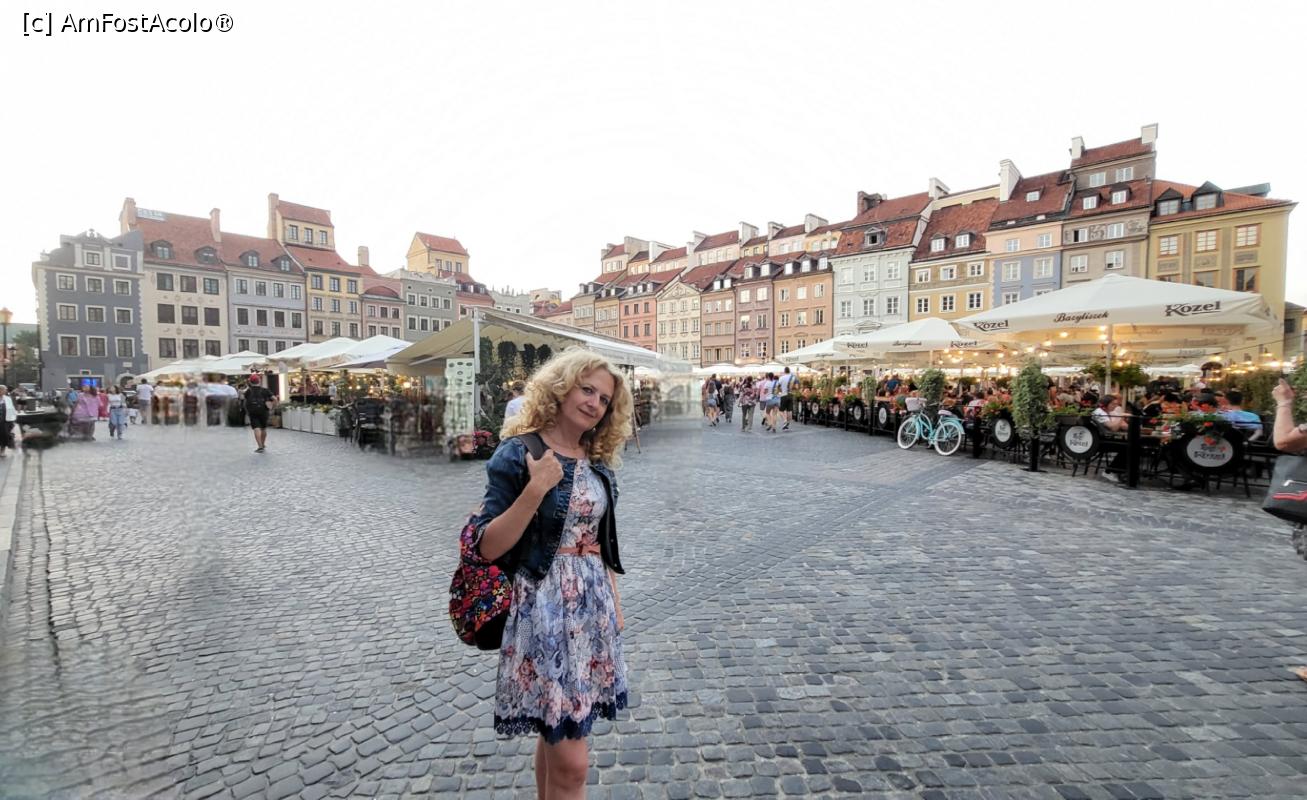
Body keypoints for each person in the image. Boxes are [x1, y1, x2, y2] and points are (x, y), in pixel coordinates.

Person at [471, 349, 632, 798]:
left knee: (555, 732)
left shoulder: (596, 459)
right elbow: (487, 546)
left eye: (604, 399)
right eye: (587, 390)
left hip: (591, 611)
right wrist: (536, 488)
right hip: (543, 609)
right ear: (561, 388)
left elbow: (600, 541)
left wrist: (614, 604)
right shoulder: (519, 452)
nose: (594, 403)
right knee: (573, 764)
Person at [1091, 395, 1129, 483]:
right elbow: (1113, 428)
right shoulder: (1099, 412)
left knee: (1131, 444)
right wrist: (1122, 417)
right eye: (1113, 404)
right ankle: (1109, 471)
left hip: (1107, 438)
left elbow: (1124, 426)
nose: (1115, 406)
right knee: (1127, 447)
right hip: (1100, 441)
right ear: (1105, 404)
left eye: (1116, 404)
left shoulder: (1109, 412)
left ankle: (1122, 471)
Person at [243, 373, 276, 453]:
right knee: (263, 428)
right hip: (264, 411)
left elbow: (245, 401)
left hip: (252, 411)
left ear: (250, 382)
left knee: (256, 428)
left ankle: (260, 446)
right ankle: (263, 444)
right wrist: (273, 407)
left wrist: (247, 410)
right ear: (259, 381)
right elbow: (275, 399)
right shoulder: (265, 390)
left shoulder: (248, 391)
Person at [0, 386, 17, 457]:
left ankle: (2, 451)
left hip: (5, 420)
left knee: (4, 435)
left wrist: (13, 418)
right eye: (4, 390)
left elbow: (12, 408)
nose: (6, 391)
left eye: (6, 390)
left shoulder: (7, 398)